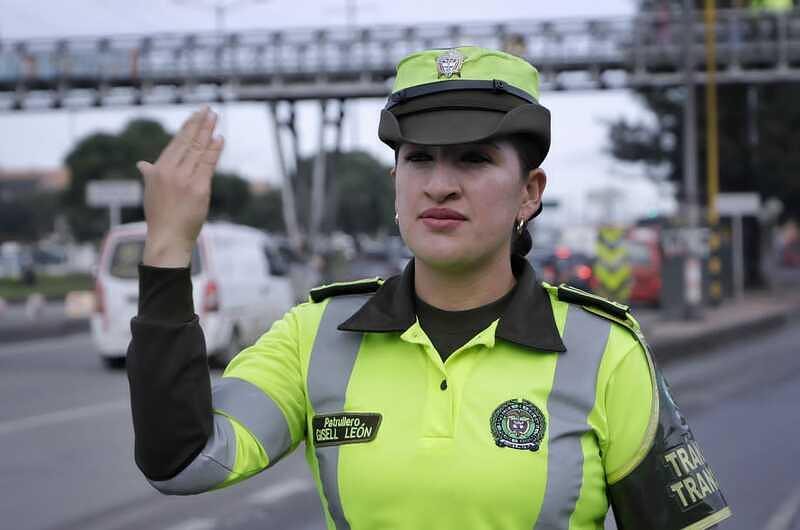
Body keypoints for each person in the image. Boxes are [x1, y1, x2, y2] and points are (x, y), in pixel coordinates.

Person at [127, 46, 731, 529]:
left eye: (473, 159)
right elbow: (181, 462)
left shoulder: (605, 351)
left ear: (530, 191)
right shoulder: (316, 336)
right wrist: (167, 254)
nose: (439, 185)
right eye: (420, 159)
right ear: (396, 179)